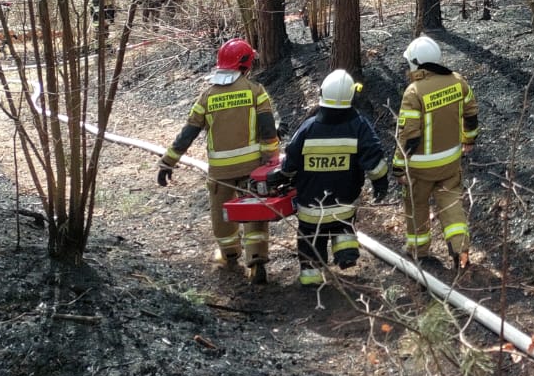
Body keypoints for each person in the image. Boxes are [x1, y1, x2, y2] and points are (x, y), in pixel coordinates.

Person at [157, 38, 281, 283]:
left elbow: (188, 133)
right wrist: (271, 161)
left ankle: (229, 252)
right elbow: (268, 131)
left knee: (221, 212)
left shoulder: (207, 97)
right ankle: (257, 259)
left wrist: (167, 162)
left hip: (220, 172)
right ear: (245, 64)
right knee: (254, 210)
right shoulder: (256, 91)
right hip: (252, 168)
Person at [279, 69, 391, 288]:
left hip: (311, 206)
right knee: (342, 225)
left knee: (311, 239)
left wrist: (283, 176)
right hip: (344, 201)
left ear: (322, 93)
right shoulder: (359, 125)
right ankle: (346, 252)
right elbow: (374, 157)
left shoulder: (308, 127)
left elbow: (291, 160)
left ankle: (311, 277)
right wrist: (380, 182)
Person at [394, 35, 478, 269]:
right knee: (451, 204)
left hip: (420, 168)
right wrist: (469, 140)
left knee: (416, 205)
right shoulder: (458, 82)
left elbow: (408, 136)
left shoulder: (414, 92)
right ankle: (461, 251)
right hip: (450, 162)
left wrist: (399, 167)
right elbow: (471, 113)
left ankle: (418, 252)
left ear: (416, 62)